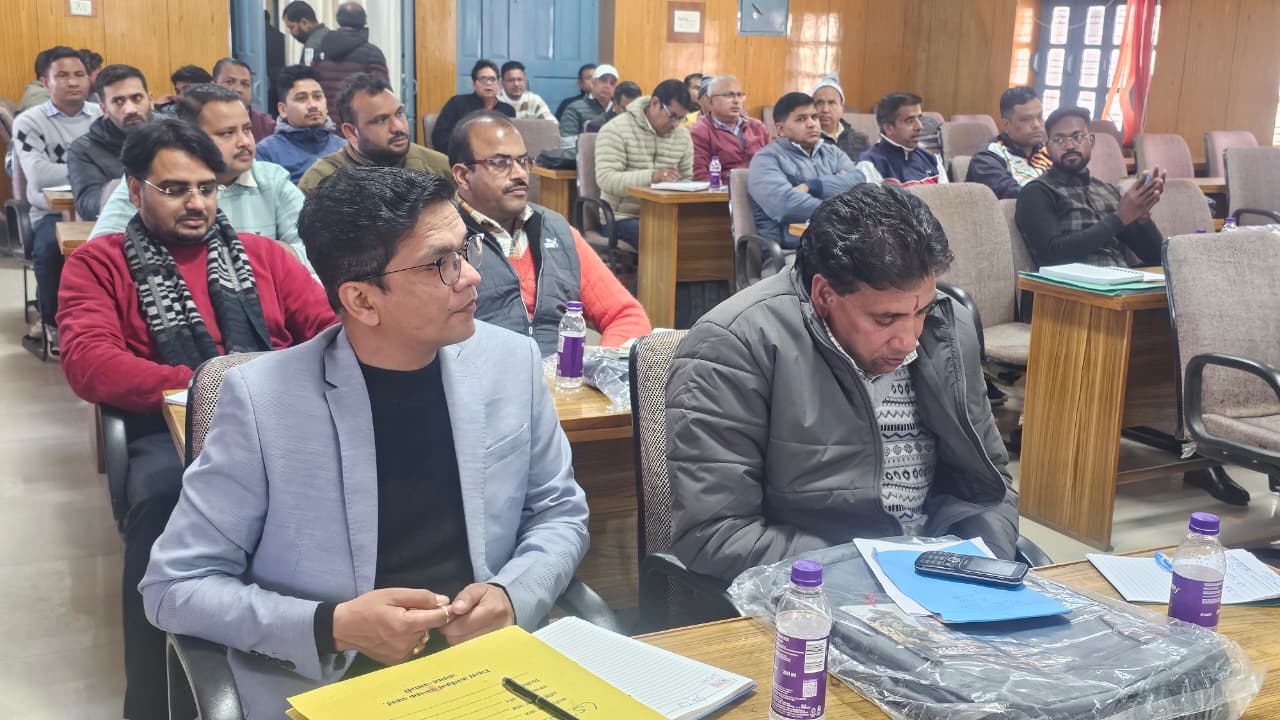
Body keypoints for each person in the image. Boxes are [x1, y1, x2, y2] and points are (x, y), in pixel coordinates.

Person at [139, 165, 589, 720]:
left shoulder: (509, 360)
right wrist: (333, 625)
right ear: (362, 300)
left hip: (488, 668)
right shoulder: (261, 401)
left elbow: (559, 512)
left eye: (465, 250)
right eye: (441, 263)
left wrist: (514, 595)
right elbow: (174, 587)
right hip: (333, 683)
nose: (471, 275)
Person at [58, 118, 335, 720]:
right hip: (170, 429)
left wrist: (269, 385)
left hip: (282, 416)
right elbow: (90, 362)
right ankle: (155, 700)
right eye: (175, 189)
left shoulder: (264, 256)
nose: (196, 203)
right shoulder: (99, 263)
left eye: (207, 188)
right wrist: (208, 384)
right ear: (135, 190)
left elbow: (328, 331)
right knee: (163, 502)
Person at [667, 183, 1019, 582]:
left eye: (919, 311)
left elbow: (989, 485)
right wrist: (881, 575)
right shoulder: (733, 347)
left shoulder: (947, 327)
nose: (908, 341)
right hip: (816, 586)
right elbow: (715, 534)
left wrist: (984, 569)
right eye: (885, 319)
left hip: (942, 576)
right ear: (824, 295)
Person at [449, 111, 651, 354]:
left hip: (563, 374)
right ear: (463, 176)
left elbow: (625, 315)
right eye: (500, 163)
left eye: (524, 161)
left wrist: (597, 368)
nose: (520, 174)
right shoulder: (442, 243)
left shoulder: (556, 230)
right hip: (483, 373)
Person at [93, 84, 313, 271]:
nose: (244, 142)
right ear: (190, 136)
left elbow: (317, 252)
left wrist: (263, 255)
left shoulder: (272, 180)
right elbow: (100, 257)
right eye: (227, 133)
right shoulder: (151, 182)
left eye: (246, 129)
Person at [10, 45, 101, 353]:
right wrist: (90, 172)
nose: (72, 82)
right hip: (50, 212)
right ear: (45, 82)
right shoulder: (29, 121)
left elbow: (121, 168)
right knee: (50, 249)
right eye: (62, 75)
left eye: (79, 74)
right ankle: (54, 324)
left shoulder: (102, 116)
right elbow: (39, 175)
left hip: (99, 208)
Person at [1015, 106, 1165, 269]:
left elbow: (1157, 257)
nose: (1070, 146)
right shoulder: (1037, 192)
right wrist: (1119, 218)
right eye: (1059, 139)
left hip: (1121, 278)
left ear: (1091, 141)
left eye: (1077, 137)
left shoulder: (1108, 192)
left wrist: (1142, 220)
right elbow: (1053, 255)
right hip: (1074, 282)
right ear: (1048, 149)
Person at [747, 91, 865, 249]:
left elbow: (860, 183)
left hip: (837, 243)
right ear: (781, 129)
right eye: (801, 119)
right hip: (790, 250)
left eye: (814, 117)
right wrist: (840, 206)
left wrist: (814, 186)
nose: (812, 124)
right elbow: (786, 205)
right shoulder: (766, 159)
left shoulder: (832, 152)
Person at [299, 73, 450, 195]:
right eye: (380, 120)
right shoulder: (321, 179)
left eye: (399, 114)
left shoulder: (438, 167)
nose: (398, 127)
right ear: (351, 132)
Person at [595, 79, 694, 248]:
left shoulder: (682, 136)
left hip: (666, 216)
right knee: (661, 239)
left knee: (703, 235)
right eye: (672, 116)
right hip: (622, 217)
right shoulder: (615, 129)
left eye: (681, 118)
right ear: (655, 103)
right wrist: (652, 177)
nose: (675, 124)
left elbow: (687, 178)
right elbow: (606, 179)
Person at [68, 64, 153, 221]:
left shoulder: (175, 136)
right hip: (120, 225)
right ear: (104, 109)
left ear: (150, 99)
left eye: (137, 98)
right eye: (119, 101)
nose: (130, 109)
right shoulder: (84, 149)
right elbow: (87, 204)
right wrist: (135, 191)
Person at [256, 64, 347, 183]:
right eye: (301, 98)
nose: (313, 105)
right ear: (283, 109)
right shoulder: (266, 152)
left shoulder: (344, 148)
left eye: (317, 97)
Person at [965, 86, 1050, 199]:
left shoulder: (1049, 152)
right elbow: (1013, 194)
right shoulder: (986, 158)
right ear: (1006, 125)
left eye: (1039, 117)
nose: (1037, 125)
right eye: (1026, 119)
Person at [313, 2, 389, 119]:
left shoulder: (320, 49)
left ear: (338, 20)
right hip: (356, 123)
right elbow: (382, 94)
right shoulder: (372, 53)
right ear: (364, 21)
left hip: (326, 123)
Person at [689, 75, 770, 181]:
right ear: (710, 101)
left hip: (761, 187)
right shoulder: (700, 131)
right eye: (728, 95)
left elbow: (772, 165)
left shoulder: (757, 127)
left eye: (739, 95)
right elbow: (700, 175)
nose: (736, 101)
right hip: (722, 190)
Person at [859, 91, 947, 186]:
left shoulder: (932, 160)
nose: (919, 126)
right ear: (888, 128)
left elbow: (946, 194)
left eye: (919, 119)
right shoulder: (870, 164)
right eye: (910, 121)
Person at [431, 59, 516, 152]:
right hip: (463, 155)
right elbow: (439, 136)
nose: (488, 83)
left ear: (498, 84)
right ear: (474, 84)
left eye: (492, 79)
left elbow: (512, 141)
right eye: (483, 79)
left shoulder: (508, 110)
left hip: (497, 157)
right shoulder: (457, 103)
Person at [213, 57, 277, 142]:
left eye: (245, 84)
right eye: (230, 81)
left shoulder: (266, 126)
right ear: (213, 85)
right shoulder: (202, 120)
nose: (238, 89)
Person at [811, 74, 869, 161]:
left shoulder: (859, 140)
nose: (825, 110)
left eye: (831, 103)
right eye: (819, 103)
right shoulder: (806, 140)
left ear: (841, 108)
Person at [559, 64, 617, 144]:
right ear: (593, 82)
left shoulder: (619, 110)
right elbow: (566, 143)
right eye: (603, 81)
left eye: (612, 83)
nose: (608, 86)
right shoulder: (574, 109)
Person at [283, 0, 330, 64]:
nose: (291, 32)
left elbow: (307, 70)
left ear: (304, 22)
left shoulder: (311, 46)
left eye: (292, 27)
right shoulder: (329, 34)